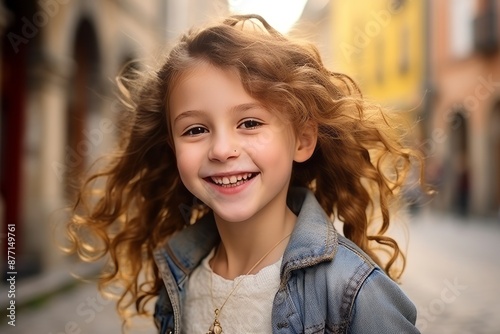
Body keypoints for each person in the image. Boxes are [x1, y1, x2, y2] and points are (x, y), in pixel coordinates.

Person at [66, 14, 425, 333]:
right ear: (172, 148)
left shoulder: (354, 292)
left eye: (249, 122)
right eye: (195, 130)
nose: (222, 149)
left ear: (302, 139)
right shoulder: (180, 275)